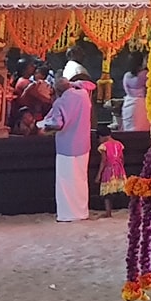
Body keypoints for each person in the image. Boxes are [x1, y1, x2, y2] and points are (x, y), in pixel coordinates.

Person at [36, 65, 92, 221]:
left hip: (67, 147)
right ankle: (82, 212)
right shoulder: (83, 95)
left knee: (66, 181)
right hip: (83, 144)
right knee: (81, 179)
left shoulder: (60, 103)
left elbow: (57, 124)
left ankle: (68, 214)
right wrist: (72, 84)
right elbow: (89, 85)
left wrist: (44, 126)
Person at [119, 55, 149, 133]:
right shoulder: (145, 74)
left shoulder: (127, 75)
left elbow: (126, 90)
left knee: (129, 129)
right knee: (141, 130)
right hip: (141, 105)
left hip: (128, 103)